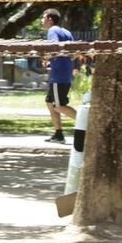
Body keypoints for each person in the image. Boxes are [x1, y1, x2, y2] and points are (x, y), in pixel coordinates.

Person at [42, 8, 76, 143]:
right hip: (64, 73)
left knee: (58, 105)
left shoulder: (52, 31)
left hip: (58, 76)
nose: (42, 21)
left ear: (50, 19)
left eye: (43, 18)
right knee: (50, 103)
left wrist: (47, 57)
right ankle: (58, 134)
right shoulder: (66, 32)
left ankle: (87, 122)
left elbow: (54, 47)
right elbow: (73, 53)